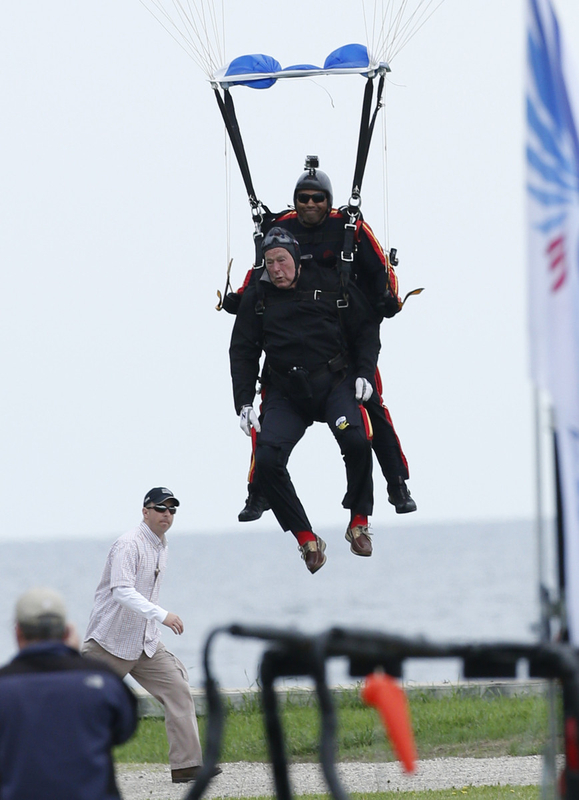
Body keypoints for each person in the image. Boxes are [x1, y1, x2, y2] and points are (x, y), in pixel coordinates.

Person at [229, 159, 416, 523]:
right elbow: (260, 273)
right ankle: (258, 492)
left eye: (317, 198)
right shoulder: (280, 229)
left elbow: (380, 271)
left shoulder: (348, 228)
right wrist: (240, 299)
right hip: (293, 337)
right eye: (303, 198)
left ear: (327, 200)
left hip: (345, 334)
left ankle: (397, 483)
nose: (310, 205)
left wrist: (388, 298)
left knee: (371, 408)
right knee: (265, 421)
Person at [230, 227, 380, 573]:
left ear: (296, 258)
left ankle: (359, 522)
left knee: (356, 439)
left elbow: (366, 330)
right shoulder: (258, 296)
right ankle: (306, 539)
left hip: (334, 383)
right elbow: (242, 351)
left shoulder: (331, 283)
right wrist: (244, 402)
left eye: (282, 261)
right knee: (267, 459)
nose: (276, 269)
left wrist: (365, 374)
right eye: (269, 263)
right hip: (286, 392)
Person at [82, 487, 220, 785]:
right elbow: (121, 591)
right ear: (145, 511)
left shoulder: (161, 545)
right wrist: (163, 614)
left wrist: (155, 622)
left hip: (144, 642)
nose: (167, 515)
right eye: (160, 508)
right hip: (109, 642)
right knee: (76, 702)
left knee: (178, 688)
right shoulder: (128, 544)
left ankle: (188, 766)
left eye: (172, 510)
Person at [0, 587, 137, 800]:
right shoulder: (105, 680)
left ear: (18, 633)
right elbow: (124, 731)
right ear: (66, 632)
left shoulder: (5, 683)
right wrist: (75, 658)